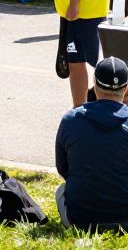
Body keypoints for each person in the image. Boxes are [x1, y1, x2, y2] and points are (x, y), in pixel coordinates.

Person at [55, 55, 128, 231]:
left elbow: (63, 168)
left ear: (95, 86)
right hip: (126, 220)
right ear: (125, 89)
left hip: (80, 219)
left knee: (60, 190)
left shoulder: (71, 119)